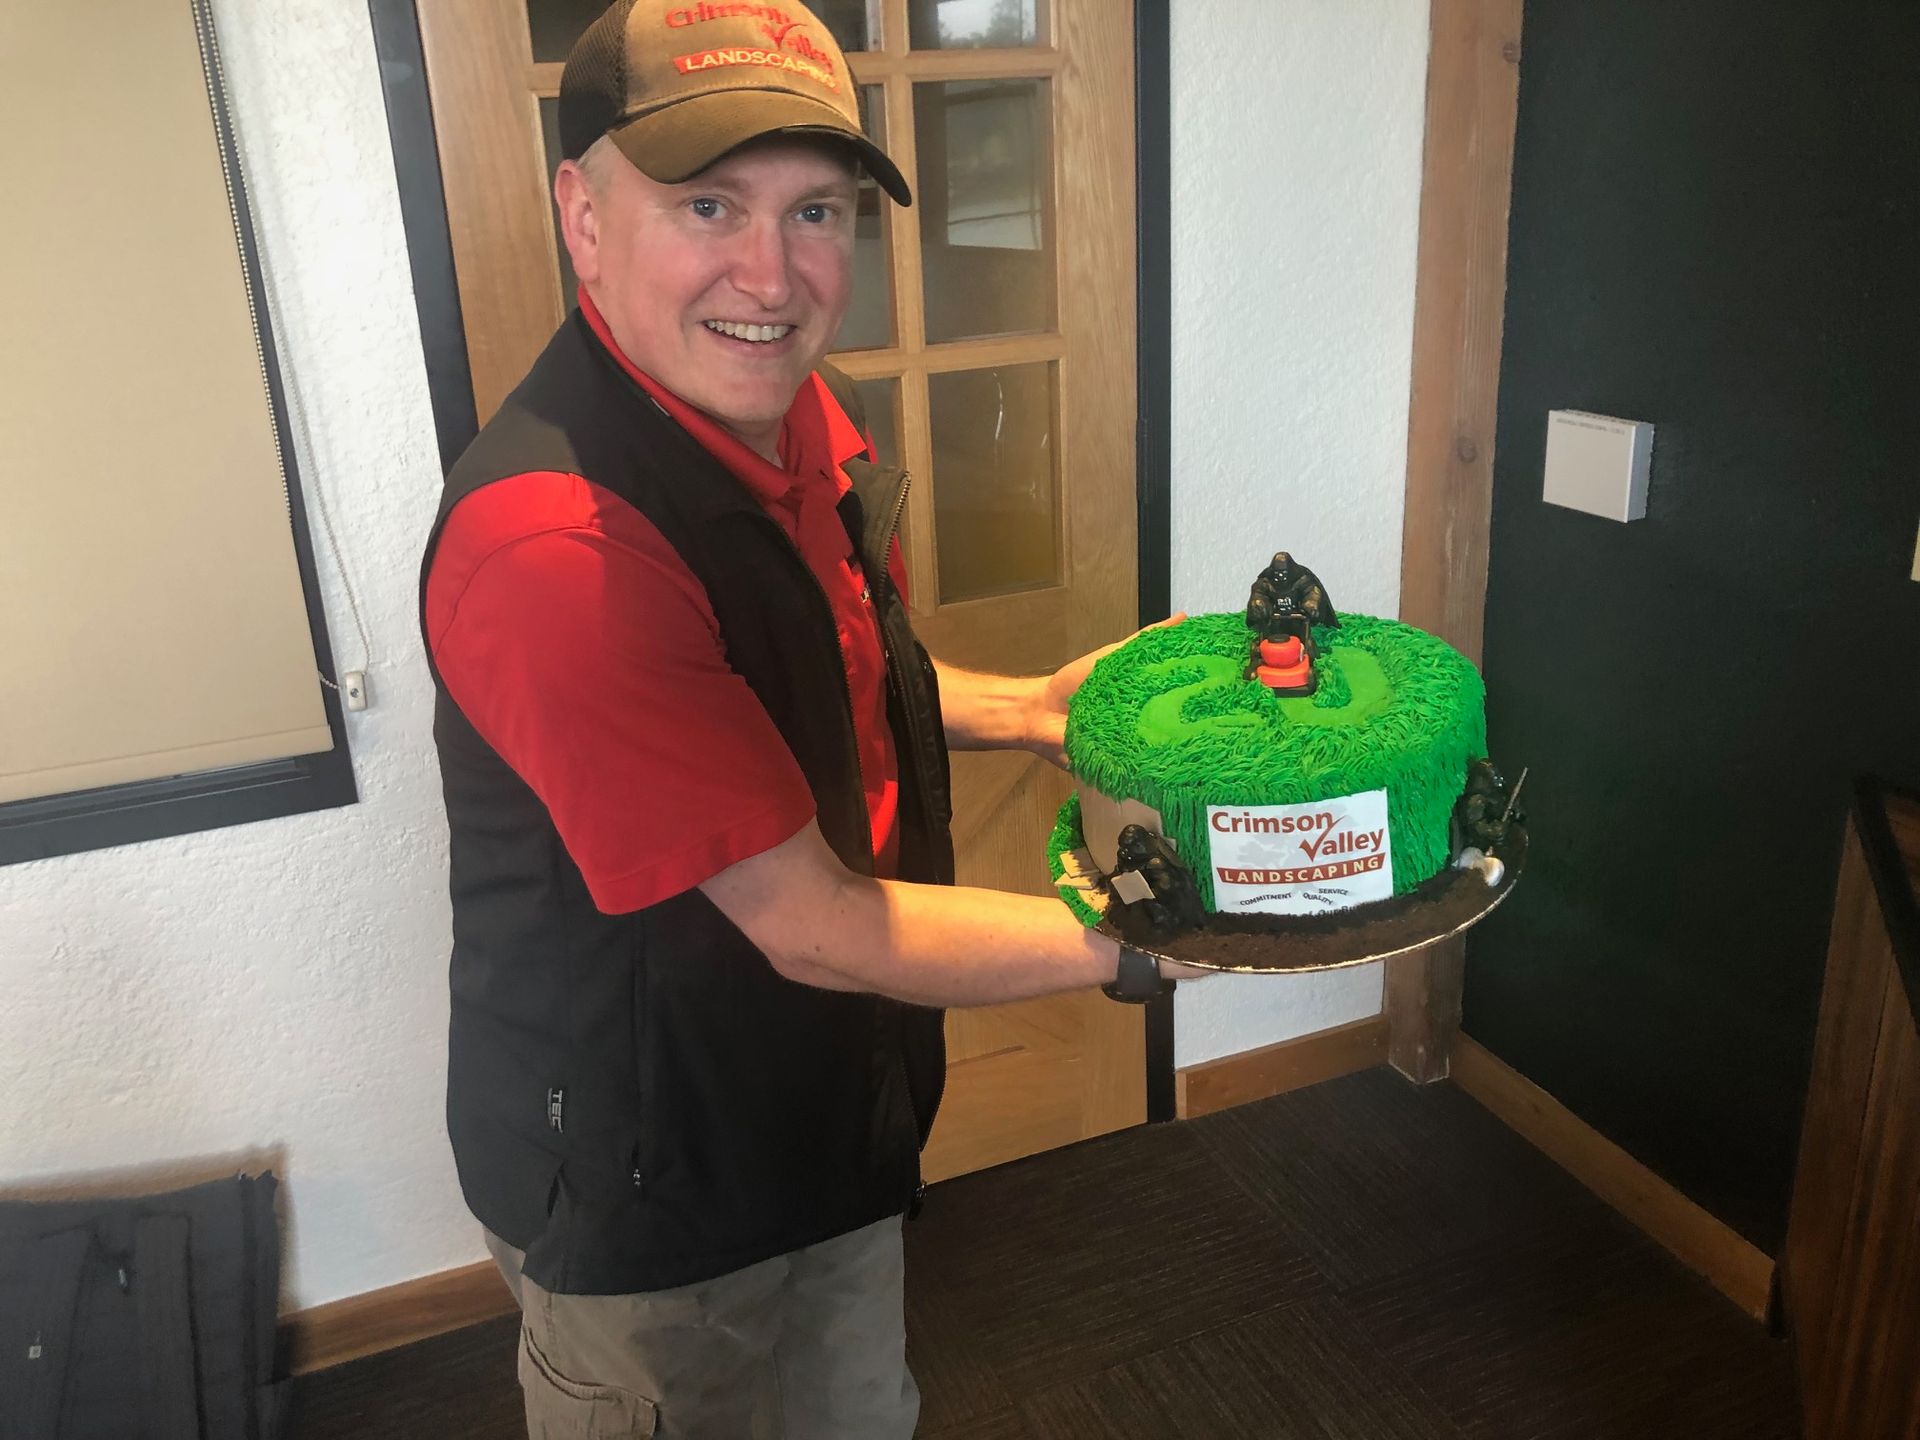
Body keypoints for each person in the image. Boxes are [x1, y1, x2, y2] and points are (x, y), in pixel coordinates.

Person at [418, 3, 1190, 1435]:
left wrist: (1032, 707)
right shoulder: (556, 551)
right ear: (581, 217)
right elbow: (816, 921)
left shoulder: (787, 418)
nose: (771, 274)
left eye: (816, 210)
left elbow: (831, 682)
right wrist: (1153, 944)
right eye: (707, 203)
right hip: (654, 1184)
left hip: (821, 1110)